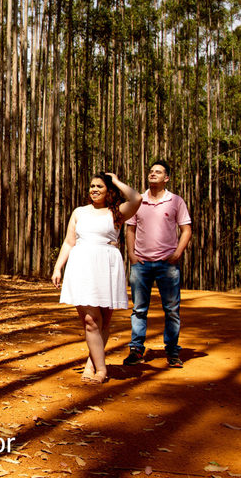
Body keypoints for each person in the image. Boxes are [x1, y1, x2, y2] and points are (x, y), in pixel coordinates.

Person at [51, 173, 141, 384]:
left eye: (99, 186)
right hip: (81, 265)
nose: (94, 189)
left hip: (107, 265)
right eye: (92, 186)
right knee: (91, 320)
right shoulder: (79, 212)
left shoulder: (117, 211)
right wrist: (57, 268)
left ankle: (92, 364)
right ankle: (102, 370)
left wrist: (117, 181)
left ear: (108, 190)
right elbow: (68, 242)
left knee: (103, 320)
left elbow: (137, 199)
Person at [123, 159, 192, 369]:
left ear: (167, 178)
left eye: (158, 172)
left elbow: (186, 229)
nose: (153, 174)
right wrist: (132, 256)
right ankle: (136, 349)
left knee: (171, 309)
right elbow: (130, 230)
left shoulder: (175, 201)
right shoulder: (138, 201)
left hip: (167, 265)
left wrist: (177, 253)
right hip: (141, 264)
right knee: (139, 309)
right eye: (151, 171)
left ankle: (172, 351)